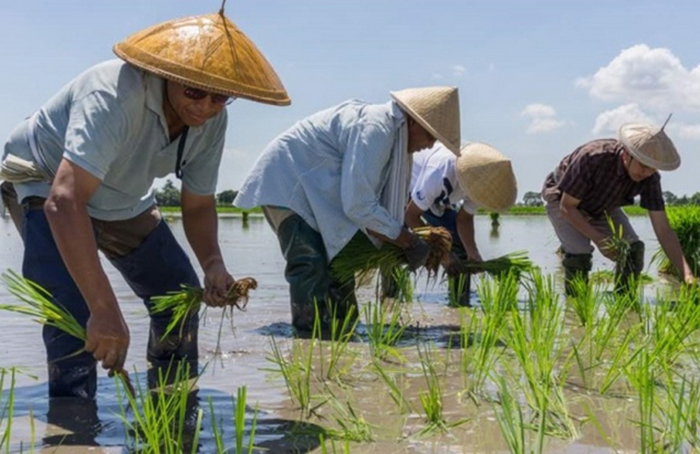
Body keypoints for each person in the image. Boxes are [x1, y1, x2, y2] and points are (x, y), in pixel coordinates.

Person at [0, 11, 290, 399]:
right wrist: (103, 307)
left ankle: (172, 401)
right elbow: (64, 202)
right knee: (72, 311)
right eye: (193, 92)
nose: (205, 107)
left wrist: (213, 264)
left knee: (178, 292)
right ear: (167, 75)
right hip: (45, 181)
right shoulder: (114, 94)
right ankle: (73, 422)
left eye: (219, 97)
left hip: (123, 197)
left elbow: (200, 204)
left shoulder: (211, 123)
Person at [234, 86, 461, 332]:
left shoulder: (392, 134)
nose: (430, 146)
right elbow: (359, 205)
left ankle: (345, 334)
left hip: (320, 194)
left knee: (339, 269)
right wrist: (407, 241)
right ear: (415, 122)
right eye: (430, 137)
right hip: (290, 182)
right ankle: (309, 339)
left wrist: (401, 237)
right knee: (310, 263)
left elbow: (364, 202)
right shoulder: (377, 129)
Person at [542, 121, 695, 295]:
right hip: (563, 198)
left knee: (633, 249)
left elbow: (663, 229)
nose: (646, 173)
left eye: (652, 169)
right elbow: (567, 207)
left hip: (604, 204)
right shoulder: (593, 157)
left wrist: (687, 274)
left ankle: (624, 300)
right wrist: (600, 240)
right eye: (643, 166)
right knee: (580, 254)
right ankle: (576, 306)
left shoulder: (650, 178)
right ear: (626, 155)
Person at [393, 142, 517, 305]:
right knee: (395, 243)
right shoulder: (438, 173)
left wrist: (472, 252)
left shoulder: (480, 187)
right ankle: (390, 299)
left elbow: (464, 219)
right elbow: (411, 216)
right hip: (406, 189)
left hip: (436, 201)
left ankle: (460, 304)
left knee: (459, 247)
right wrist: (442, 253)